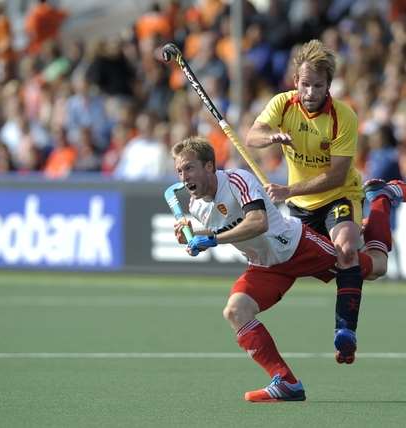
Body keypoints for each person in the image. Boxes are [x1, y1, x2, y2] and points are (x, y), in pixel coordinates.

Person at [170, 136, 404, 402]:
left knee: (377, 267)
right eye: (179, 170)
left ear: (210, 166)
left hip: (297, 246)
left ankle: (379, 198)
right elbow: (223, 228)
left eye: (189, 168)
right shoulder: (196, 206)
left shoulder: (236, 180)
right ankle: (286, 382)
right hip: (265, 266)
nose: (183, 176)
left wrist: (212, 239)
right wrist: (194, 236)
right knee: (236, 311)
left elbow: (258, 223)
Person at [244, 39, 406, 363]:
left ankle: (345, 331)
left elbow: (336, 175)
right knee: (370, 268)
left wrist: (288, 191)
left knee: (345, 249)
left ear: (329, 85)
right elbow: (252, 135)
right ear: (295, 82)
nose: (309, 92)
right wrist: (271, 138)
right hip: (301, 208)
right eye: (305, 84)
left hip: (337, 196)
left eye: (318, 85)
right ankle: (380, 200)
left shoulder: (343, 116)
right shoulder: (283, 104)